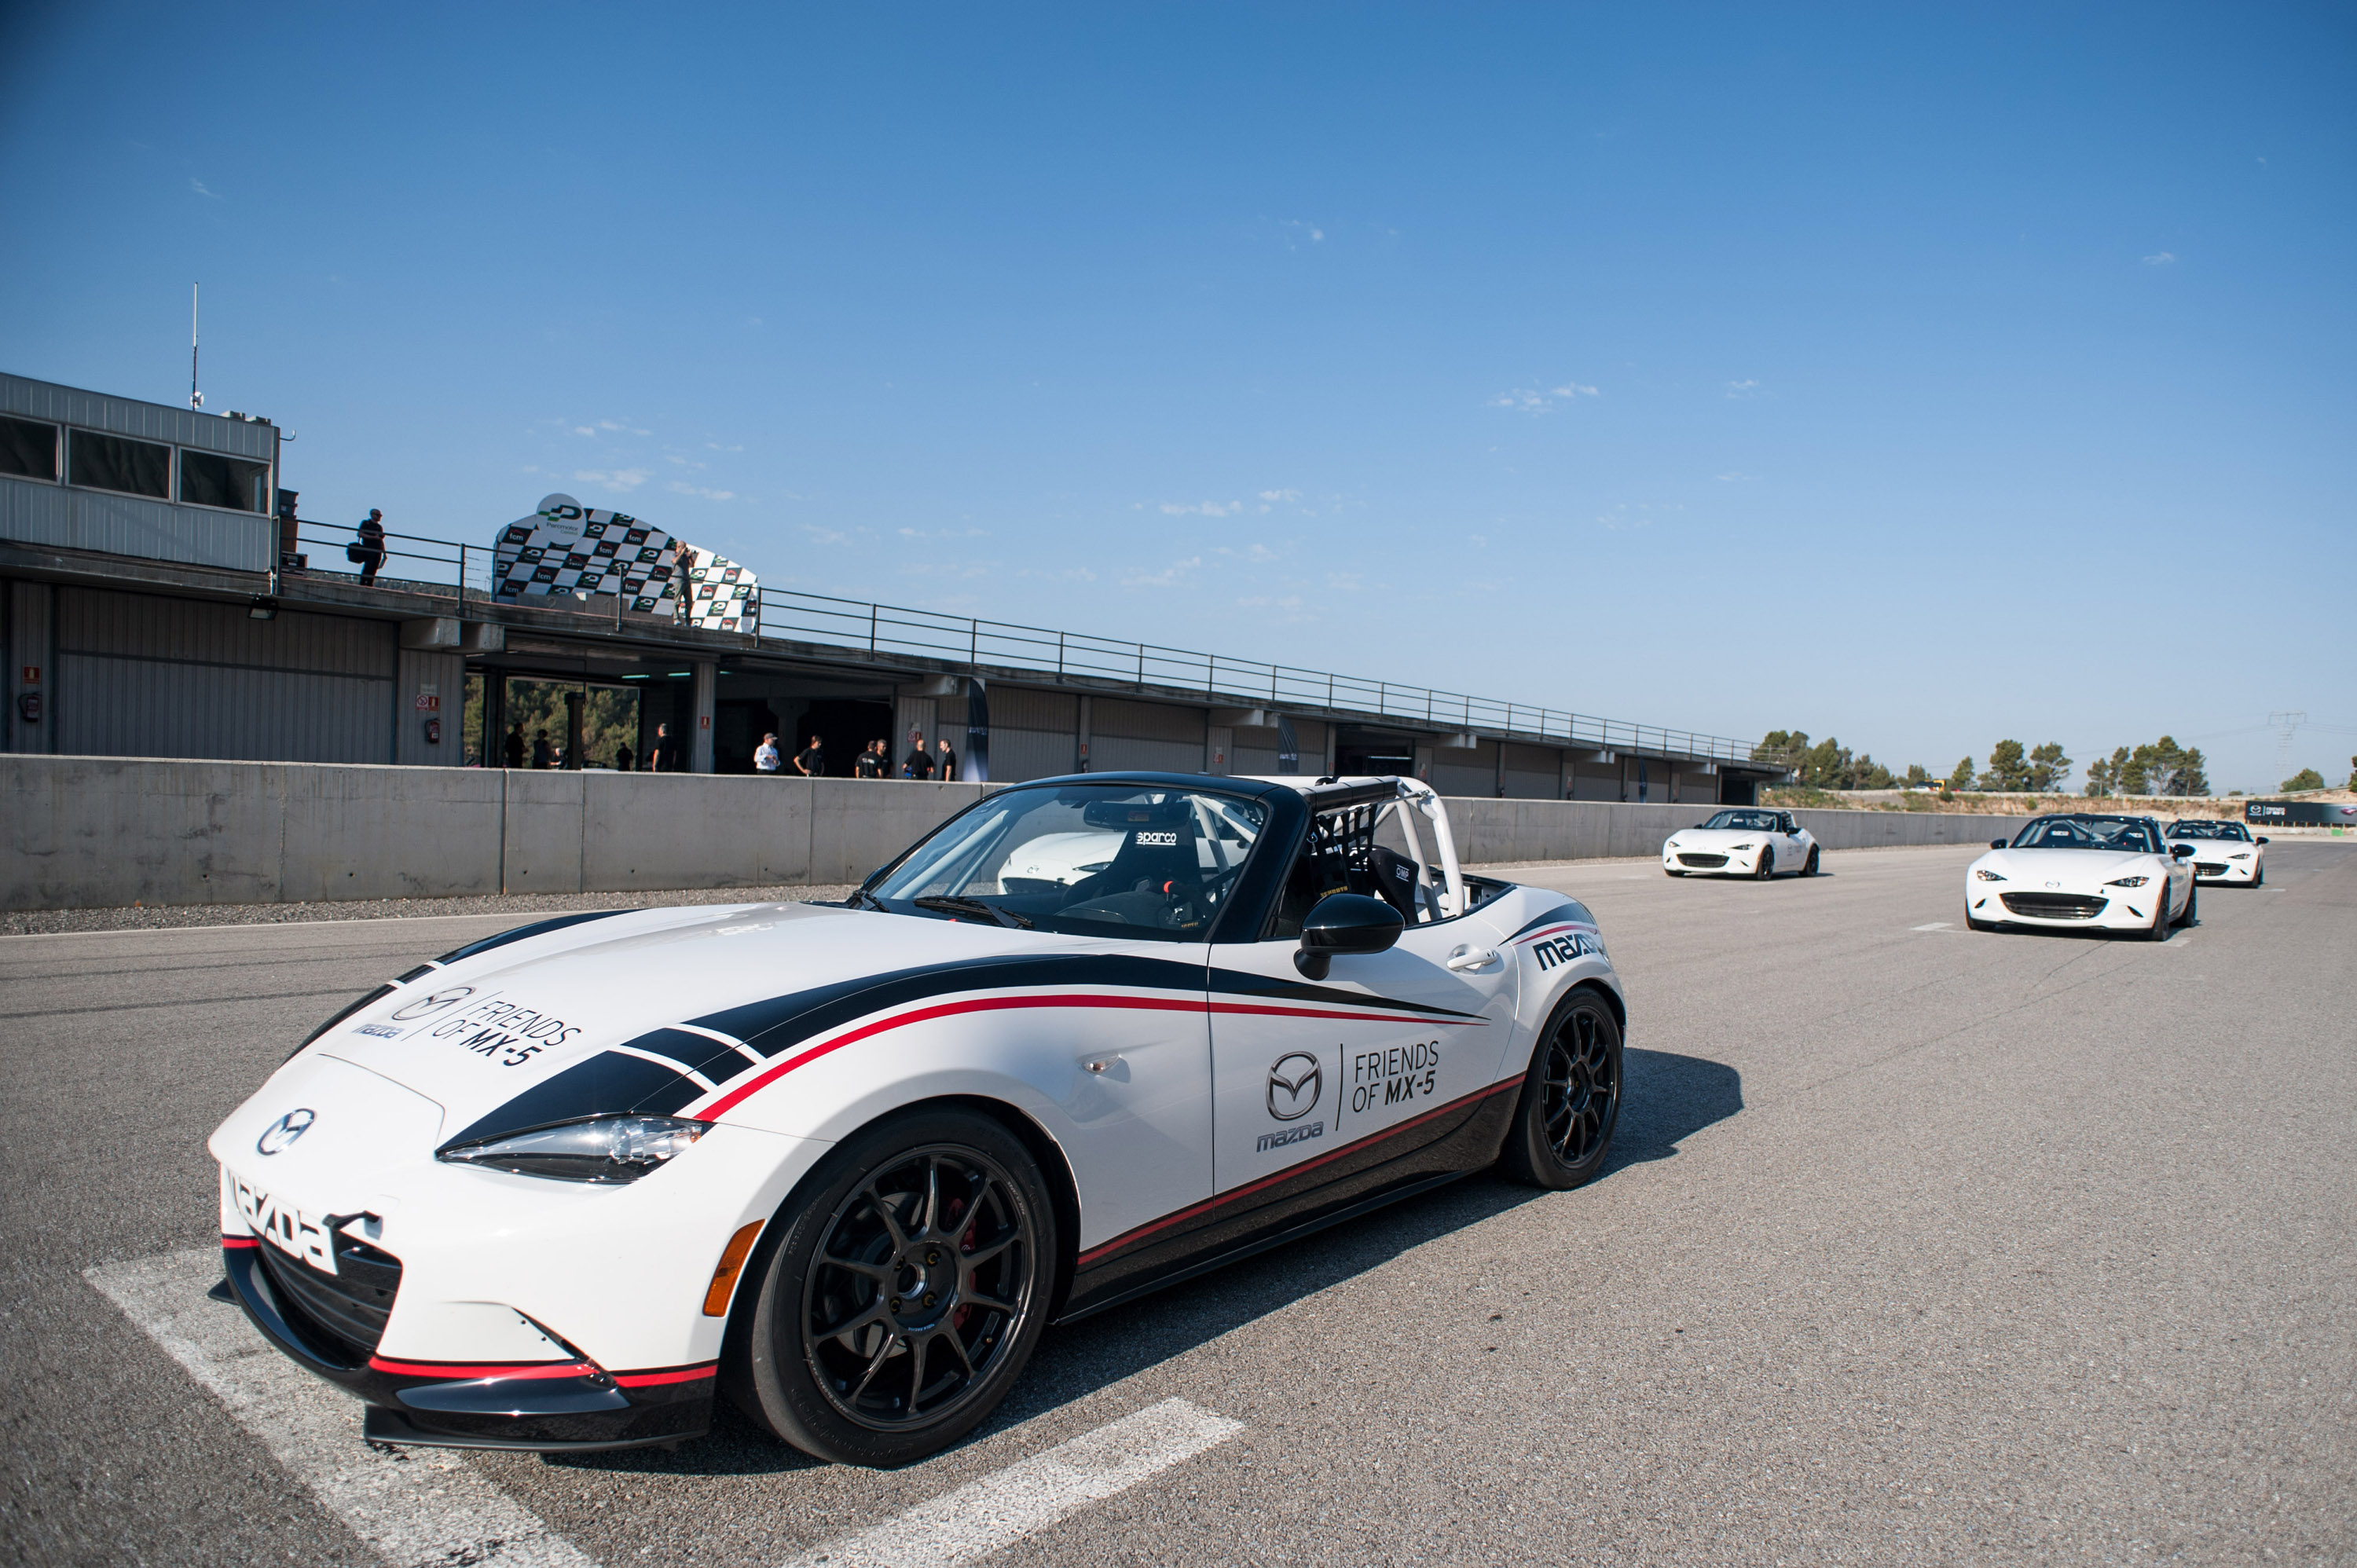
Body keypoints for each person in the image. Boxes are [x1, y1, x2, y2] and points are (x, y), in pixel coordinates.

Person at [348, 509, 387, 586]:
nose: (380, 517)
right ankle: (363, 583)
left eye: (380, 515)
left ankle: (369, 584)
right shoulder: (366, 523)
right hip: (368, 548)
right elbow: (360, 534)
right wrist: (373, 537)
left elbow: (380, 540)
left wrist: (384, 553)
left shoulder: (379, 527)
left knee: (374, 568)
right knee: (368, 567)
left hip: (377, 550)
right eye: (378, 515)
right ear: (372, 515)